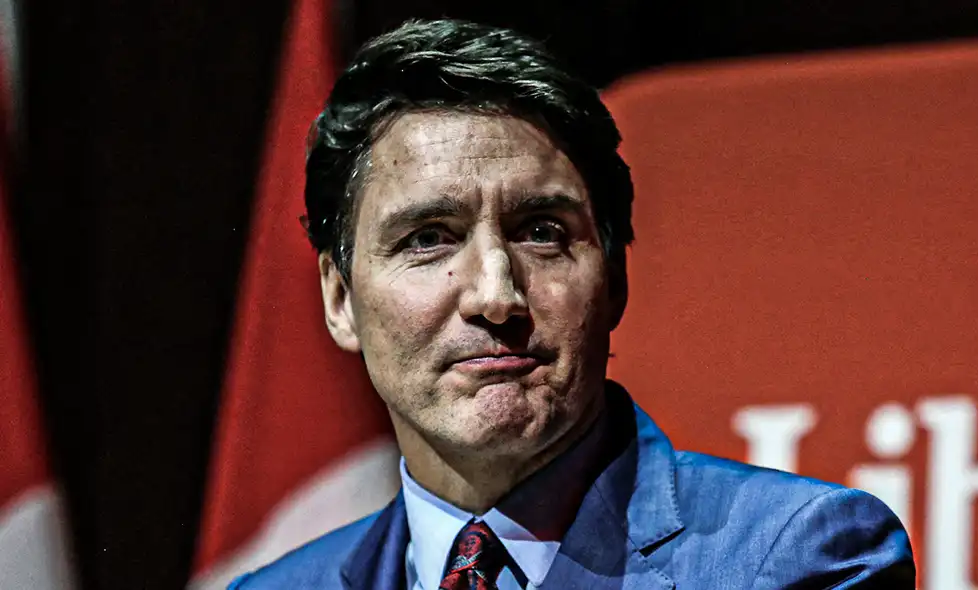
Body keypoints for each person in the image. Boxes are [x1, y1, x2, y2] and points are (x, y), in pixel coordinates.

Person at [230, 18, 915, 590]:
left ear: (614, 279)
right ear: (340, 300)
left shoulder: (799, 559)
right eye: (428, 239)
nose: (496, 295)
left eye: (541, 233)